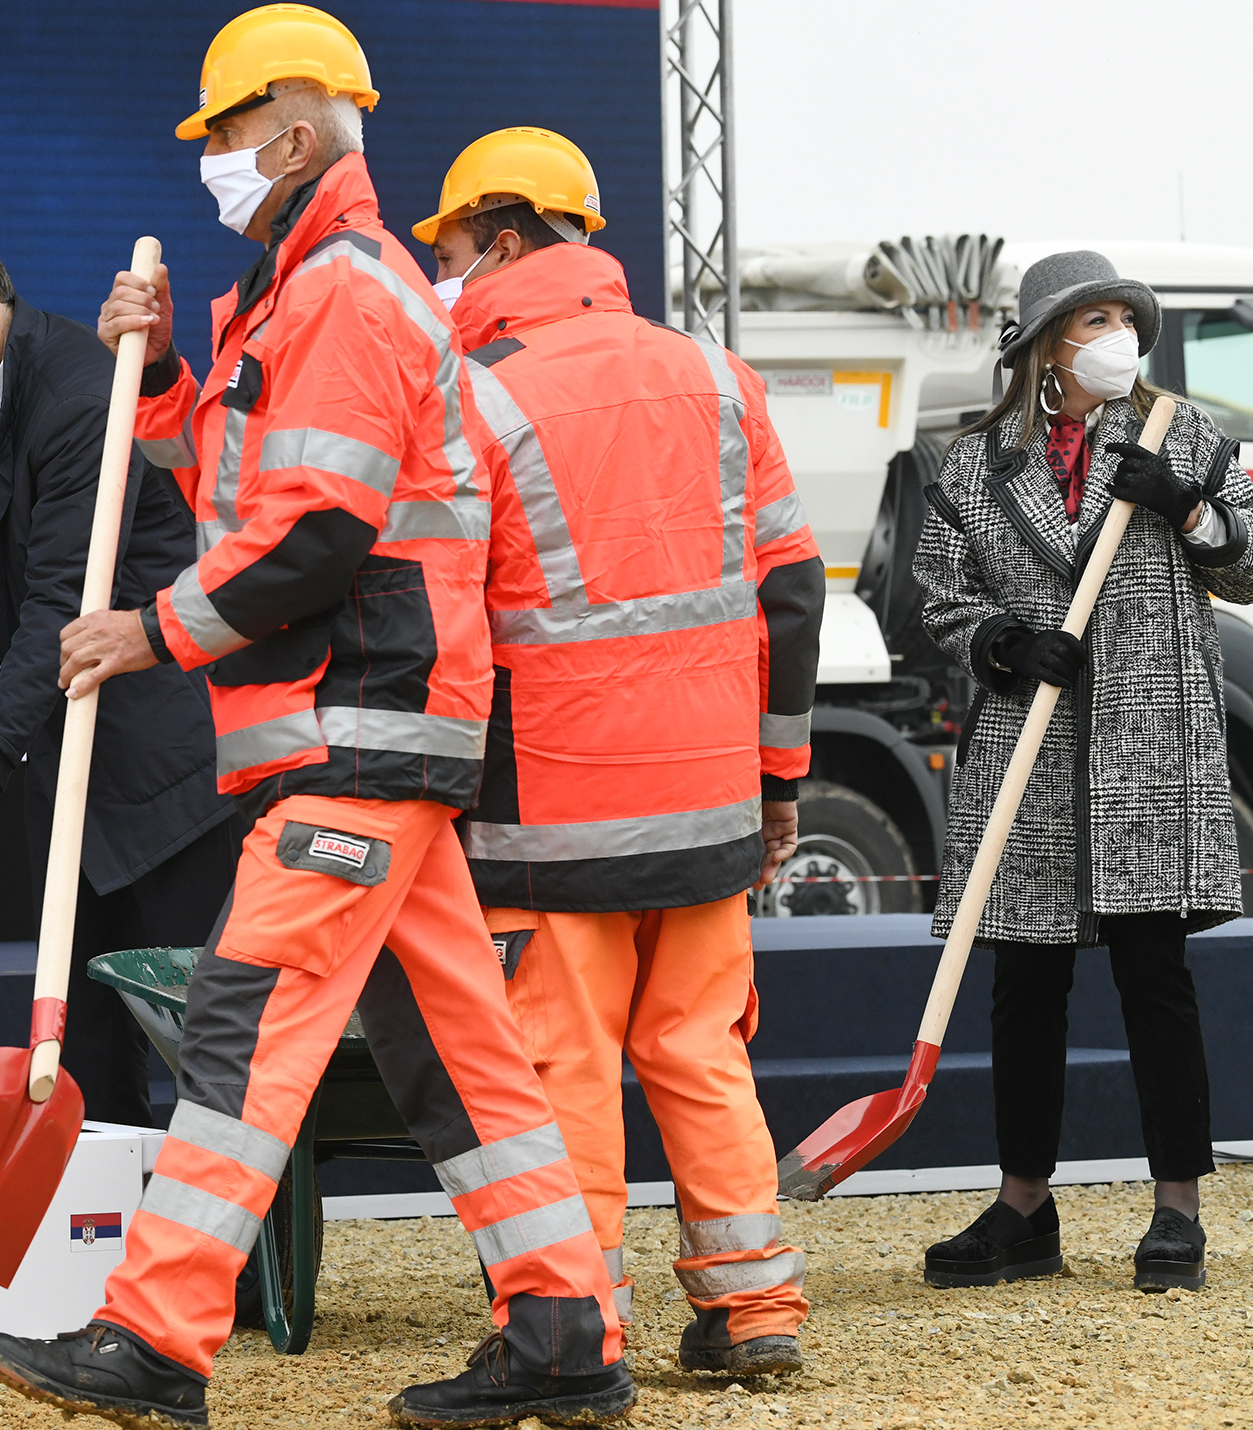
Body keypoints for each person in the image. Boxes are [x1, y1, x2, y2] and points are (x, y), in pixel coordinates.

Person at [0, 10, 632, 1429]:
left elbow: (318, 535)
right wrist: (158, 376)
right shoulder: (304, 289)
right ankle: (562, 1327)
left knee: (242, 1018)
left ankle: (154, 1336)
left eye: (224, 130)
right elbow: (237, 481)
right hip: (376, 722)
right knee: (462, 1053)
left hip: (357, 719)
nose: (212, 157)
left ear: (294, 123)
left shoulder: (338, 285)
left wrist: (148, 630)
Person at [416, 128, 823, 1376]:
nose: (443, 271)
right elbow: (790, 590)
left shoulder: (469, 396)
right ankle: (752, 1309)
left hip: (549, 816)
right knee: (701, 1048)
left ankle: (577, 1324)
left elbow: (442, 616)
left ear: (499, 236)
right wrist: (777, 780)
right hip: (707, 805)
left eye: (450, 247)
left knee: (561, 1071)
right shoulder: (719, 377)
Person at [913, 250, 1252, 1293]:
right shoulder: (973, 464)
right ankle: (1023, 1209)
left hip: (1150, 744)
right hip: (1031, 744)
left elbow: (1249, 563)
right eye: (1093, 319)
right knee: (1025, 981)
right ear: (1044, 346)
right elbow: (939, 593)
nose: (1117, 337)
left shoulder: (1185, 436)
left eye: (1123, 318)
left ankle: (1176, 1208)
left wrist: (1190, 512)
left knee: (1155, 976)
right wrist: (1004, 642)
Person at [0, 225, 238, 1128]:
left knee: (216, 1049)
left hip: (167, 777)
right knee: (83, 1048)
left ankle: (243, 1226)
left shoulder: (76, 394)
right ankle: (107, 1213)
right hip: (73, 754)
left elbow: (62, 606)